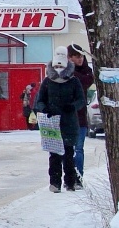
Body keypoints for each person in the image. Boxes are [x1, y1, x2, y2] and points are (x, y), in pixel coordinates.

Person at [34, 51, 85, 192]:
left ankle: (70, 182)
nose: (58, 69)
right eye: (56, 66)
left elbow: (81, 100)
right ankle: (55, 183)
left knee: (68, 154)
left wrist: (72, 106)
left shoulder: (74, 81)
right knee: (54, 155)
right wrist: (46, 109)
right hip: (52, 123)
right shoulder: (47, 82)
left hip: (69, 122)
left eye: (61, 66)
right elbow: (39, 101)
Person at [66, 44, 95, 178]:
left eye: (81, 56)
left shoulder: (86, 71)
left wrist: (72, 71)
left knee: (79, 148)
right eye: (77, 56)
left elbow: (86, 81)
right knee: (67, 150)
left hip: (80, 116)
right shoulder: (63, 71)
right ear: (69, 58)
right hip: (66, 117)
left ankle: (78, 176)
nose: (80, 59)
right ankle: (69, 176)